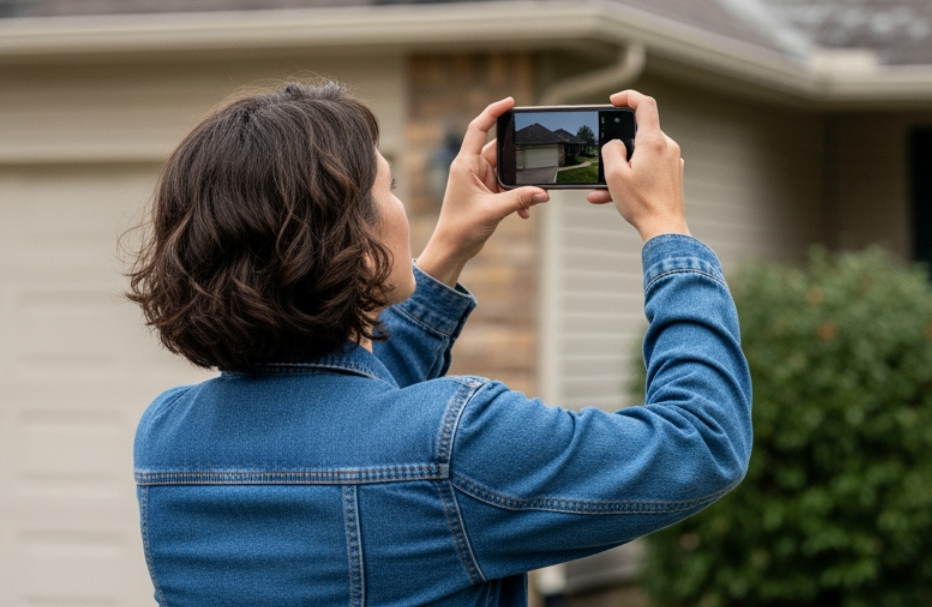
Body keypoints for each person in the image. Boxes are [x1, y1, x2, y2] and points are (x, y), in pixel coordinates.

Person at [128, 81, 751, 606]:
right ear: (344, 239)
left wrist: (449, 248)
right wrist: (666, 228)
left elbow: (349, 421)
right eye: (389, 188)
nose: (404, 210)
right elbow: (701, 442)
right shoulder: (458, 441)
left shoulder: (168, 440)